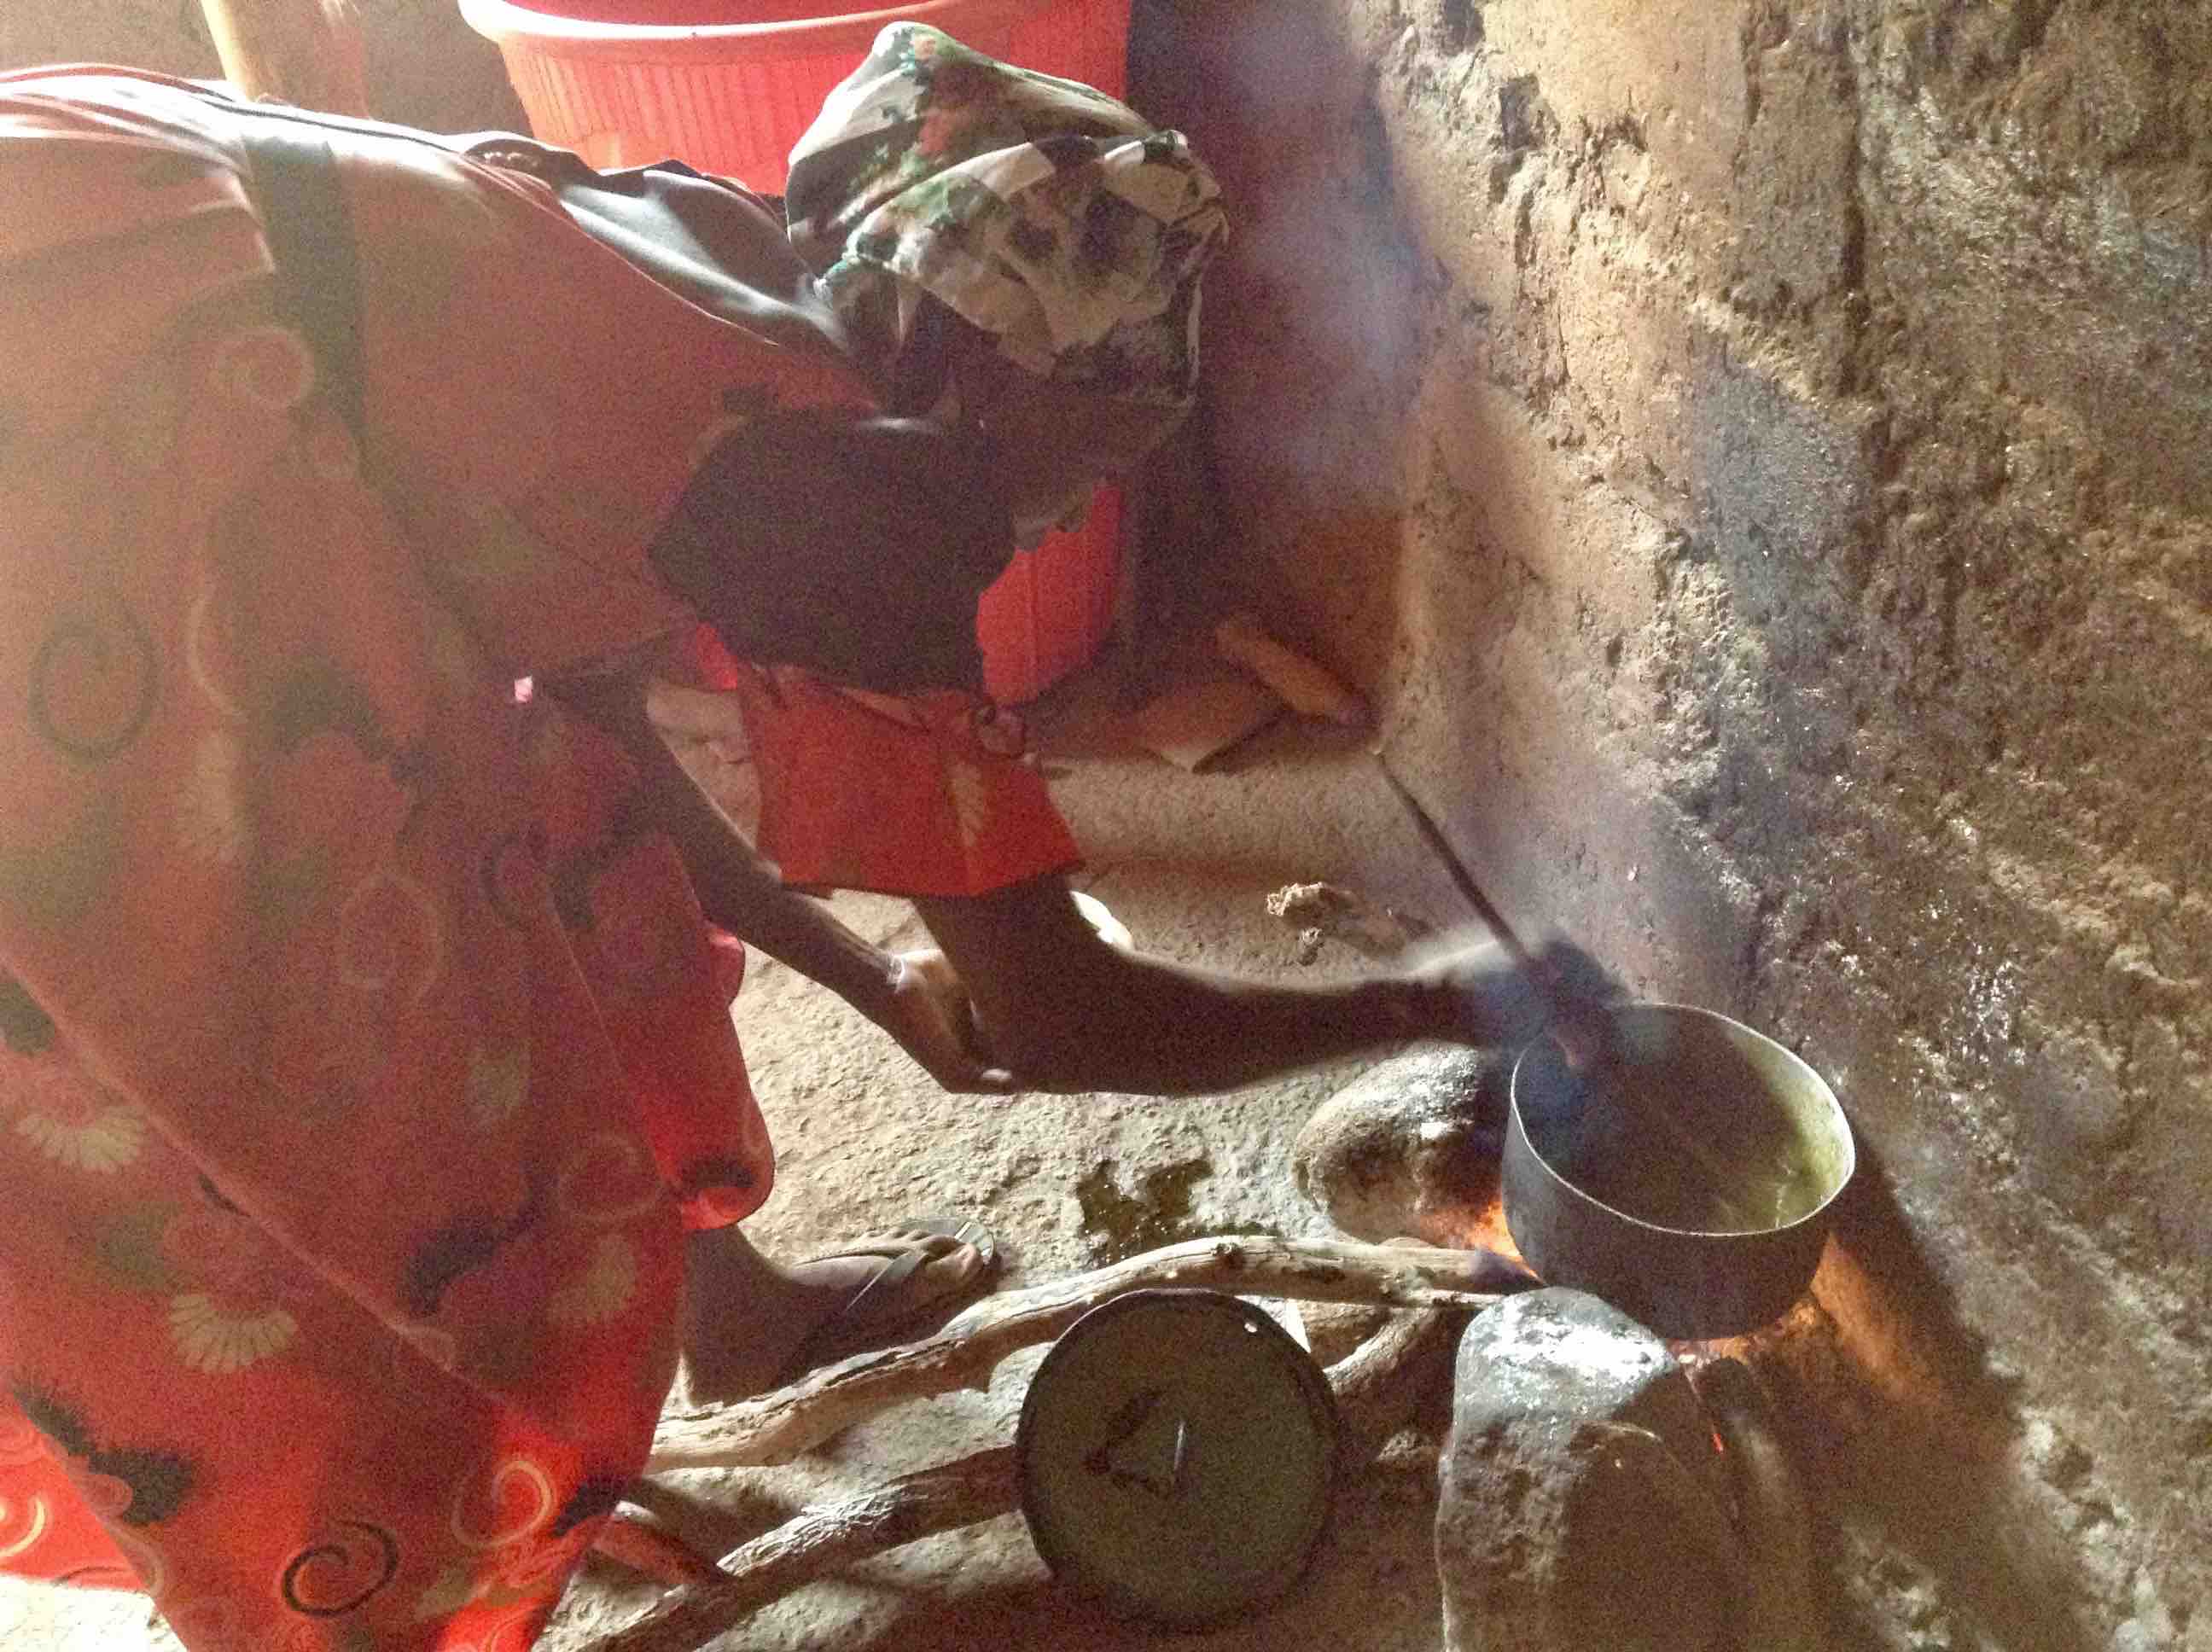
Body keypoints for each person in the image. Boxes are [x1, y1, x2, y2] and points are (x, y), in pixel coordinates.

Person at [0, 24, 1604, 1651]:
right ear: (982, 380)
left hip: (108, 241)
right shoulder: (850, 499)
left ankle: (733, 1318)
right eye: (1074, 464)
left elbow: (589, 726)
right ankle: (378, 1575)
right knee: (332, 1105)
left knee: (557, 840)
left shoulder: (728, 261)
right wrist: (1437, 996)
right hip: (90, 474)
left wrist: (869, 978)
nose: (1054, 524)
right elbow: (1061, 1018)